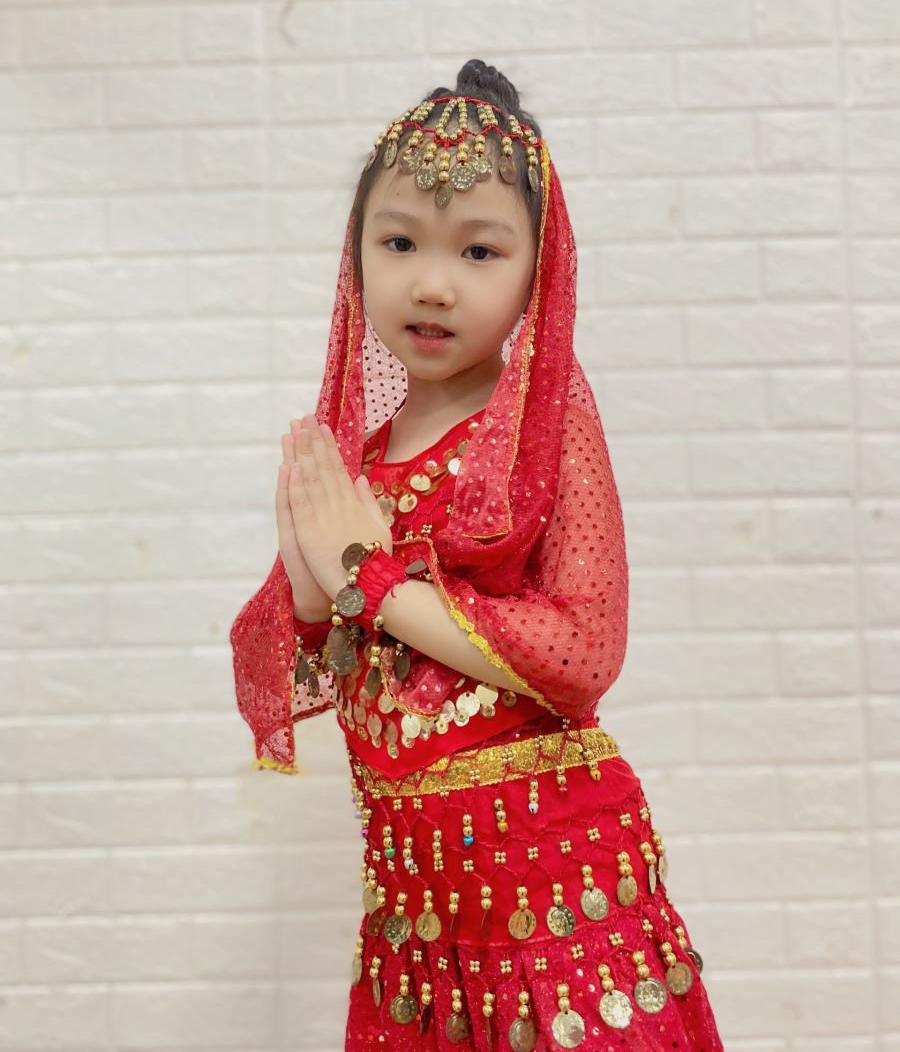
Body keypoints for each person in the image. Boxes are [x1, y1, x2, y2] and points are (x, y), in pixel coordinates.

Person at [229, 60, 724, 1051]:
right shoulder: (361, 457)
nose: (433, 282)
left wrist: (369, 574)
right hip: (417, 915)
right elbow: (314, 676)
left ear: (541, 268)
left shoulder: (541, 419)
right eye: (399, 241)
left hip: (554, 891)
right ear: (355, 255)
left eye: (480, 251)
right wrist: (314, 586)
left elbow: (584, 650)